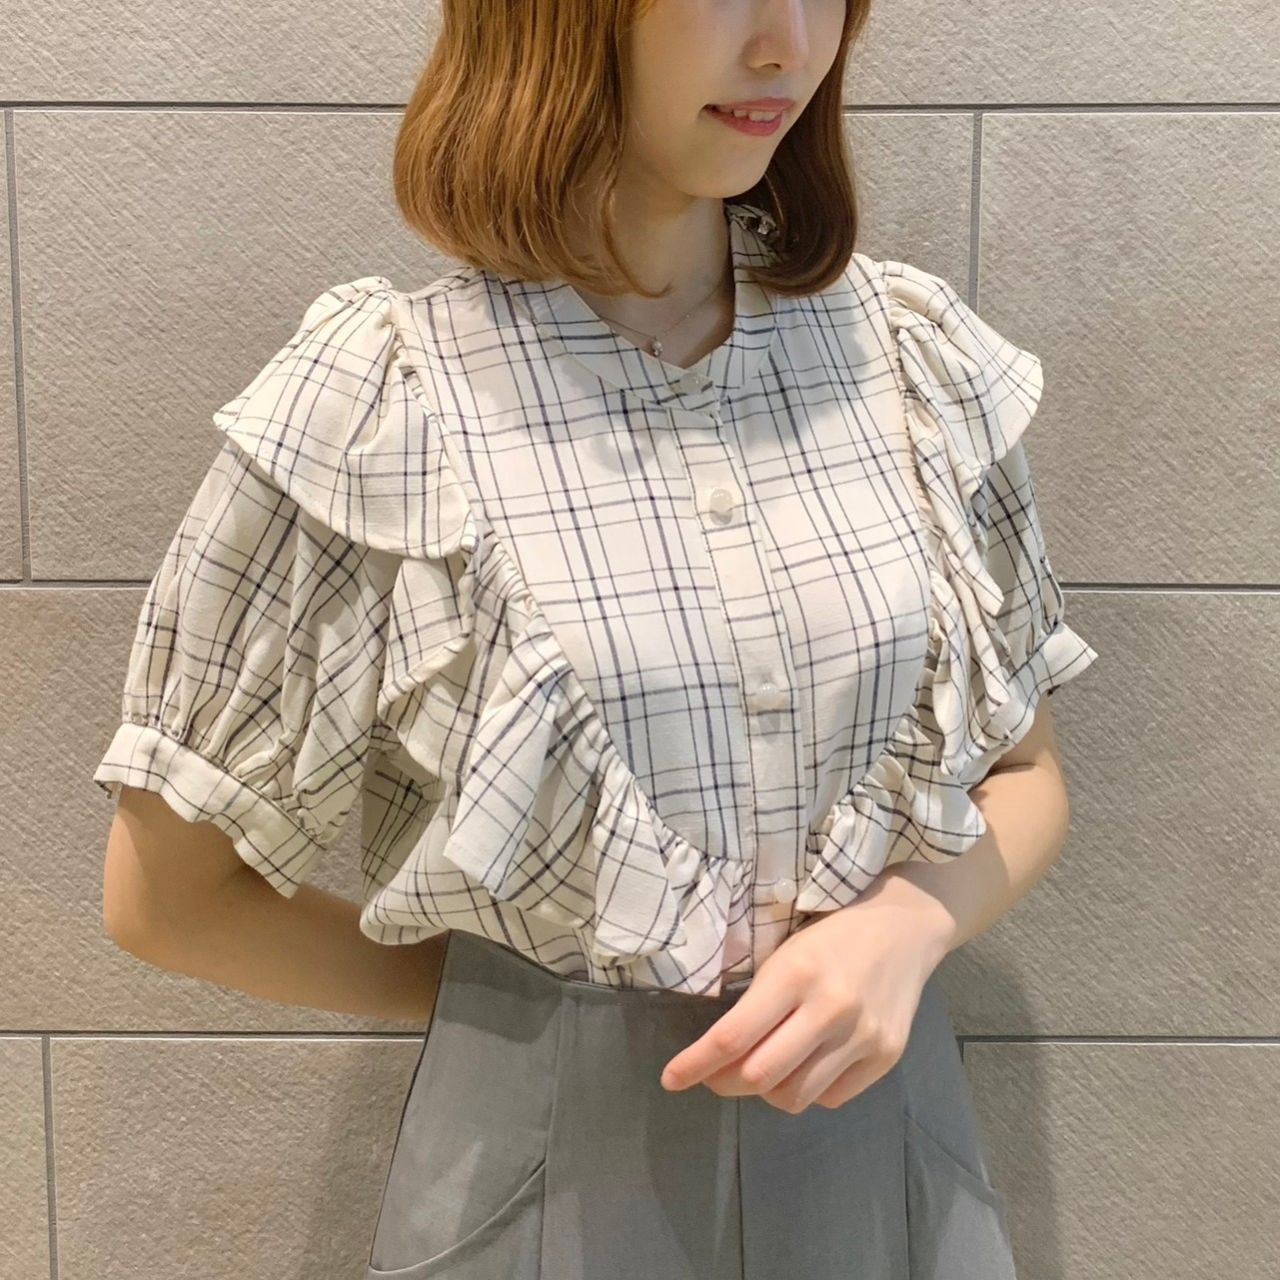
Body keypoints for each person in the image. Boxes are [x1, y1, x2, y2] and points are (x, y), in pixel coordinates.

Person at [93, 0, 1100, 1276]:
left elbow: (1025, 770)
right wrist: (532, 1006)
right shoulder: (382, 405)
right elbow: (167, 899)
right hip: (541, 1180)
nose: (789, 45)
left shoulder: (903, 358)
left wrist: (903, 924)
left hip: (885, 1148)